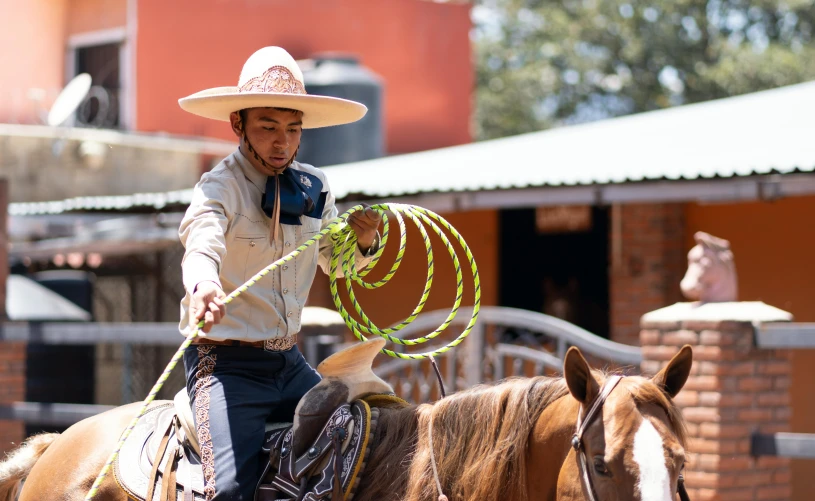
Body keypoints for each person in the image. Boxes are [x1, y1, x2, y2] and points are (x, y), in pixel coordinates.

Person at [176, 46, 382, 501]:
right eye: (268, 126)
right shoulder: (219, 187)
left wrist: (364, 241)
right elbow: (201, 241)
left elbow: (338, 264)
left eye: (292, 129)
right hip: (225, 367)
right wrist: (204, 284)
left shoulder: (316, 187)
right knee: (228, 492)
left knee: (372, 439)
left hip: (289, 364)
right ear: (239, 125)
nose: (281, 142)